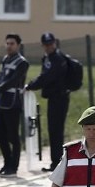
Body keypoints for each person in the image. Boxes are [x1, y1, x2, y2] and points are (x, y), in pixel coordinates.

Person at [0, 33, 29, 177]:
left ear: (18, 45)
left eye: (12, 44)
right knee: (0, 134)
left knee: (13, 136)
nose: (9, 46)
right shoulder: (5, 59)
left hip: (13, 103)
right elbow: (0, 76)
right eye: (7, 43)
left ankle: (13, 167)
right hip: (2, 103)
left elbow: (12, 81)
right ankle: (6, 164)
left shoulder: (22, 62)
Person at [26, 32, 69, 171]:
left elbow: (46, 77)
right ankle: (56, 161)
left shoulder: (56, 58)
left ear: (54, 43)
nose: (48, 46)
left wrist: (30, 85)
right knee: (54, 129)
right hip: (54, 97)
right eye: (46, 44)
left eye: (50, 44)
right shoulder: (48, 57)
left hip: (59, 98)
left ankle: (57, 163)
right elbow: (45, 76)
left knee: (56, 129)